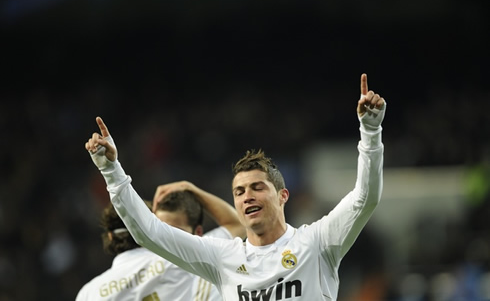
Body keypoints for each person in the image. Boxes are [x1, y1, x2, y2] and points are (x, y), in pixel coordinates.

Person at [85, 73, 386, 300]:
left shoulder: (318, 243)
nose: (247, 197)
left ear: (282, 195)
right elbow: (149, 232)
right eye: (239, 192)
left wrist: (370, 131)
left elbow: (365, 198)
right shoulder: (222, 258)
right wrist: (111, 169)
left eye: (257, 187)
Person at [76, 184, 245, 301]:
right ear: (146, 229)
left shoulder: (89, 293)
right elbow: (238, 225)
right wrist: (191, 188)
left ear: (110, 237)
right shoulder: (178, 257)